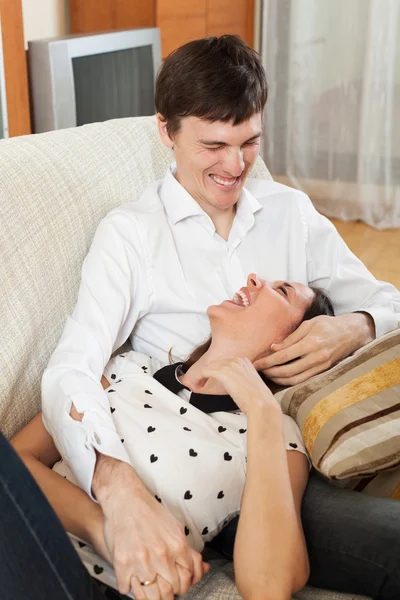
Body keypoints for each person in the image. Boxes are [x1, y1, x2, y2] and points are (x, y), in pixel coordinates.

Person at [40, 35, 400, 599]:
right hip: (170, 431)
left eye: (249, 142)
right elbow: (72, 370)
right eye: (214, 145)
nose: (235, 166)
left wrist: (355, 326)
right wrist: (116, 489)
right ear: (166, 131)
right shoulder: (132, 234)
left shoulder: (290, 212)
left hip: (262, 447)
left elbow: (388, 303)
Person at [12, 275, 333, 600]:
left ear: (294, 344)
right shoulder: (129, 367)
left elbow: (267, 588)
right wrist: (106, 529)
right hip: (24, 532)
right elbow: (16, 460)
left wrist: (262, 408)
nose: (254, 278)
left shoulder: (269, 431)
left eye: (282, 291)